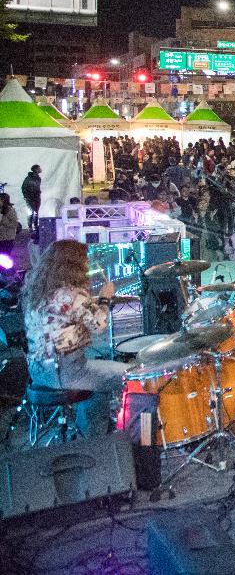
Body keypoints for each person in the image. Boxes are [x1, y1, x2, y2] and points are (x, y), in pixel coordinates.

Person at [23, 240, 128, 435]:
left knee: (99, 381)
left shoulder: (37, 292)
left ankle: (91, 432)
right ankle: (109, 440)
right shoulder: (71, 295)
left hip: (37, 372)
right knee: (129, 374)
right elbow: (99, 326)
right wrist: (105, 298)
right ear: (74, 265)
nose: (87, 266)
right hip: (67, 372)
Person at [22, 163, 42, 236]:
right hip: (30, 198)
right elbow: (23, 187)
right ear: (36, 169)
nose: (41, 169)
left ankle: (35, 226)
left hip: (36, 197)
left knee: (36, 212)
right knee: (31, 212)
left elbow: (37, 187)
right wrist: (26, 196)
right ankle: (30, 227)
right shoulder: (28, 178)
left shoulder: (38, 178)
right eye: (39, 168)